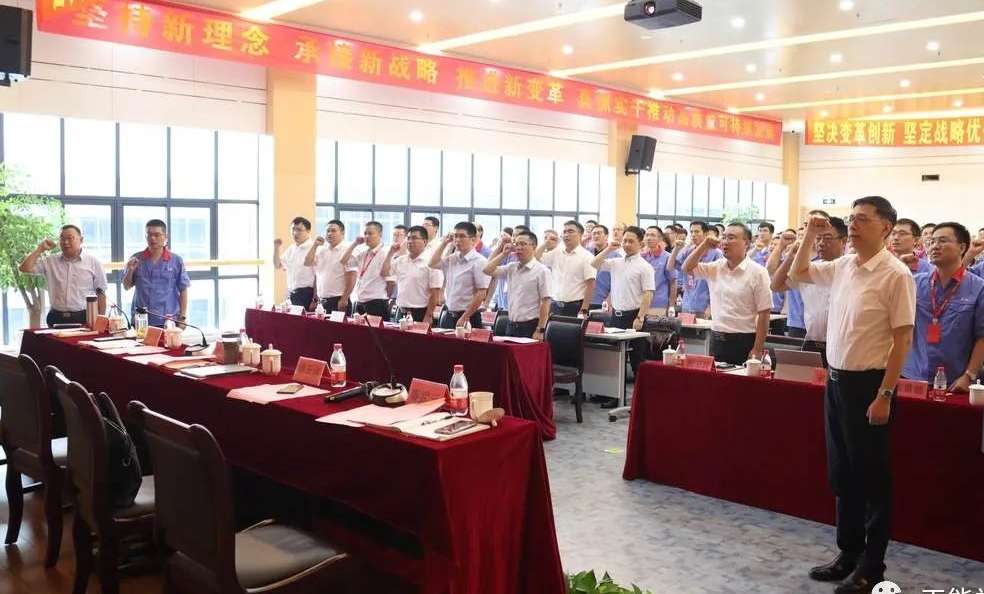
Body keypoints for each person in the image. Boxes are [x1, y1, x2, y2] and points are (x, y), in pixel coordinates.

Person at [790, 197, 915, 594]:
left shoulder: (895, 274)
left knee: (873, 479)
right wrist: (809, 233)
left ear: (886, 227)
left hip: (870, 386)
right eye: (850, 219)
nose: (853, 226)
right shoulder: (844, 265)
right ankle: (848, 552)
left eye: (862, 219)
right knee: (842, 475)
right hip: (836, 383)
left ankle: (872, 565)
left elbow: (903, 339)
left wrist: (885, 394)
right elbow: (798, 273)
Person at [902, 222, 984, 390]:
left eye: (942, 241)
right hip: (911, 376)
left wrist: (969, 375)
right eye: (932, 241)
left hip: (954, 380)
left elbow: (981, 337)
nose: (935, 246)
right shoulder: (914, 283)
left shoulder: (978, 288)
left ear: (962, 247)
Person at [683, 223, 772, 366]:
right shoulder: (716, 267)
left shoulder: (758, 272)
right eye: (723, 237)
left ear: (746, 243)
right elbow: (687, 268)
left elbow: (764, 313)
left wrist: (757, 348)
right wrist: (704, 245)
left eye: (731, 238)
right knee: (715, 379)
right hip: (716, 338)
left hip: (744, 340)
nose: (725, 242)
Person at [772, 217, 849, 366]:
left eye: (827, 238)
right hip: (812, 342)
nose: (821, 243)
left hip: (841, 344)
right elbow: (776, 286)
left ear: (844, 241)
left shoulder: (850, 269)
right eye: (818, 238)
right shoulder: (808, 270)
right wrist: (791, 257)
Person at [591, 226, 654, 373]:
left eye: (631, 241)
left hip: (634, 316)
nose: (626, 244)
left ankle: (639, 386)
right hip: (616, 316)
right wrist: (608, 249)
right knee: (614, 356)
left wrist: (640, 317)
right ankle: (616, 388)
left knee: (637, 358)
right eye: (624, 241)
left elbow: (648, 293)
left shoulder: (645, 267)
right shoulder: (616, 262)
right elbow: (594, 263)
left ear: (641, 244)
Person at [19, 224, 107, 327]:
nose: (65, 242)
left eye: (70, 238)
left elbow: (101, 293)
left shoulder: (93, 262)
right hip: (56, 318)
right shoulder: (50, 261)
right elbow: (24, 268)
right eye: (62, 239)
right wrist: (40, 249)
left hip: (84, 318)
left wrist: (100, 323)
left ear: (81, 240)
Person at [123, 219, 190, 327]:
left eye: (157, 235)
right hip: (141, 320)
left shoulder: (176, 260)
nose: (152, 238)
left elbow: (183, 289)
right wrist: (130, 270)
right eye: (149, 235)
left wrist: (182, 317)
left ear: (165, 237)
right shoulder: (136, 258)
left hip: (168, 320)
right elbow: (126, 286)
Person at [484, 231, 551, 339]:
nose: (518, 247)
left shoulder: (542, 271)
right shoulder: (511, 267)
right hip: (511, 324)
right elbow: (487, 270)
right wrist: (503, 253)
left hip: (531, 326)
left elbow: (545, 302)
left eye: (523, 244)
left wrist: (540, 329)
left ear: (534, 246)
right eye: (516, 244)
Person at [429, 222, 490, 329]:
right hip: (449, 314)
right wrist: (444, 243)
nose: (457, 240)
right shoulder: (453, 258)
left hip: (468, 316)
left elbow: (481, 293)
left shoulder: (480, 261)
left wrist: (465, 317)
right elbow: (432, 264)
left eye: (462, 236)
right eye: (455, 236)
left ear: (473, 239)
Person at [382, 225, 442, 324]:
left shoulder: (431, 262)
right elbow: (384, 272)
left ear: (425, 241)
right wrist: (390, 253)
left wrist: (428, 315)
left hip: (420, 312)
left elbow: (435, 292)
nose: (410, 241)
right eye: (408, 238)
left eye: (414, 238)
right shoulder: (401, 260)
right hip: (401, 311)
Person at [536, 220, 596, 317]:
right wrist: (546, 243)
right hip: (555, 305)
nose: (566, 235)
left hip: (575, 306)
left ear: (580, 235)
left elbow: (590, 285)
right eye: (564, 232)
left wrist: (584, 309)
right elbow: (535, 258)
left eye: (570, 231)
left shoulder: (587, 257)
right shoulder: (557, 252)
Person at [669, 221, 722, 318]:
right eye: (692, 232)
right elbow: (670, 267)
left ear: (706, 234)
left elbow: (719, 283)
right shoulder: (688, 251)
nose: (693, 235)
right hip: (687, 304)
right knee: (686, 328)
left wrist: (710, 306)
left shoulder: (716, 253)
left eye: (697, 232)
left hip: (704, 307)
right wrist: (676, 249)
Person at [304, 219, 357, 313]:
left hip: (338, 300)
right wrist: (315, 245)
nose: (329, 233)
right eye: (327, 231)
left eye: (333, 231)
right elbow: (307, 263)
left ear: (342, 233)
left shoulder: (347, 251)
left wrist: (344, 299)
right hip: (321, 301)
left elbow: (352, 277)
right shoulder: (321, 251)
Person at [341, 221, 390, 320]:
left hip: (377, 302)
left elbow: (390, 281)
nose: (367, 236)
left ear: (380, 234)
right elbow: (343, 261)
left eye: (370, 233)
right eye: (365, 233)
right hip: (361, 301)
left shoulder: (385, 253)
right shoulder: (364, 254)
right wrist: (355, 243)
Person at [273, 217, 316, 310]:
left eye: (299, 230)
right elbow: (277, 265)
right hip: (292, 293)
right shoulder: (292, 248)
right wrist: (276, 247)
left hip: (307, 294)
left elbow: (318, 275)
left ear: (308, 231)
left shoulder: (313, 248)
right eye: (293, 229)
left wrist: (315, 299)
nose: (295, 233)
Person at [640, 226, 676, 316]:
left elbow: (673, 282)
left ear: (660, 238)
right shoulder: (641, 257)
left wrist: (671, 305)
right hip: (640, 303)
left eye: (652, 235)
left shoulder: (667, 257)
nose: (649, 238)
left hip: (658, 304)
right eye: (647, 235)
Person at [589, 224, 619, 311]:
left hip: (604, 302)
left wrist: (609, 300)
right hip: (585, 300)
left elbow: (618, 282)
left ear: (606, 236)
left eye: (599, 233)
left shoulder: (616, 256)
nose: (596, 236)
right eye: (594, 233)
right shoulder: (586, 253)